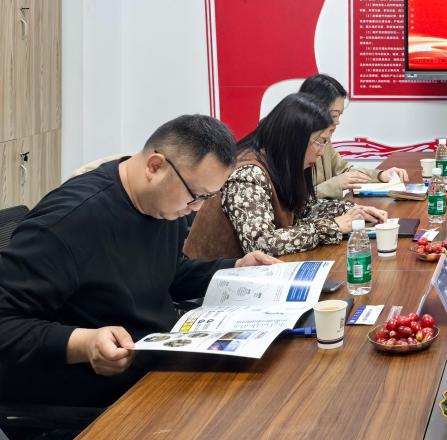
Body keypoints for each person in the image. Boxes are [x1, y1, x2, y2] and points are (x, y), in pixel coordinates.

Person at [0, 115, 280, 412]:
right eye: (195, 195)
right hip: (92, 393)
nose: (196, 208)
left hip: (155, 364)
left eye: (206, 198)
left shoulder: (164, 205)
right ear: (155, 166)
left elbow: (167, 274)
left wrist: (234, 270)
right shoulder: (67, 223)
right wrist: (83, 343)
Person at [185, 93, 387, 259]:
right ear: (295, 139)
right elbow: (262, 244)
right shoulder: (248, 174)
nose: (321, 151)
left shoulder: (282, 165)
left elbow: (305, 210)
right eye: (320, 141)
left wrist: (351, 211)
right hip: (213, 284)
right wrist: (332, 227)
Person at [298, 74, 408, 198]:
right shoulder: (293, 145)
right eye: (334, 115)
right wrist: (336, 184)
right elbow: (294, 202)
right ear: (312, 109)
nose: (337, 122)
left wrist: (380, 175)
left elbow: (345, 170)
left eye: (339, 115)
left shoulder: (325, 141)